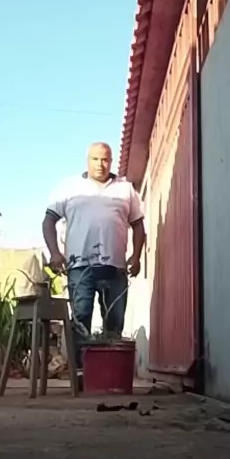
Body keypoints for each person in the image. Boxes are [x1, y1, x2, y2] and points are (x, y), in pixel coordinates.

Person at [42, 142, 145, 357]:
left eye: (105, 159)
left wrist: (136, 257)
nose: (100, 164)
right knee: (80, 320)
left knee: (114, 323)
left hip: (115, 267)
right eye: (95, 159)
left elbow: (138, 225)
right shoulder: (69, 187)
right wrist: (55, 253)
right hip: (80, 266)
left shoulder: (125, 189)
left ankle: (110, 370)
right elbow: (48, 221)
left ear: (111, 161)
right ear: (87, 161)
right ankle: (80, 370)